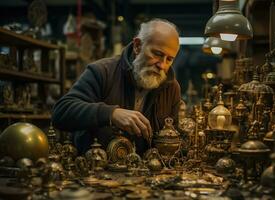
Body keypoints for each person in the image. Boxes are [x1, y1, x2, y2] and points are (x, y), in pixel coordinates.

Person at [52, 18, 181, 155]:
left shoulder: (171, 88)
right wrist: (111, 114)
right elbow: (61, 112)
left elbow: (175, 137)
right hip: (95, 170)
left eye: (169, 59)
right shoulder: (102, 71)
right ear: (137, 46)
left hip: (145, 173)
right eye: (157, 54)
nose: (162, 65)